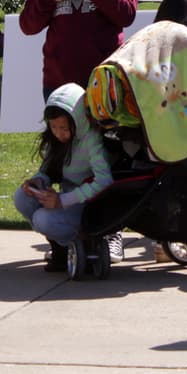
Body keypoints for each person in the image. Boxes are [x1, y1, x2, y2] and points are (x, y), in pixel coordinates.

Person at [13, 84, 113, 271]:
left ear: (78, 121)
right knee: (21, 197)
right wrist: (38, 181)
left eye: (64, 128)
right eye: (53, 127)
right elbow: (48, 170)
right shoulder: (57, 141)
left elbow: (104, 180)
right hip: (66, 200)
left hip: (88, 205)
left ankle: (72, 244)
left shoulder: (91, 140)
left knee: (43, 219)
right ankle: (60, 246)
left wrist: (62, 201)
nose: (58, 133)